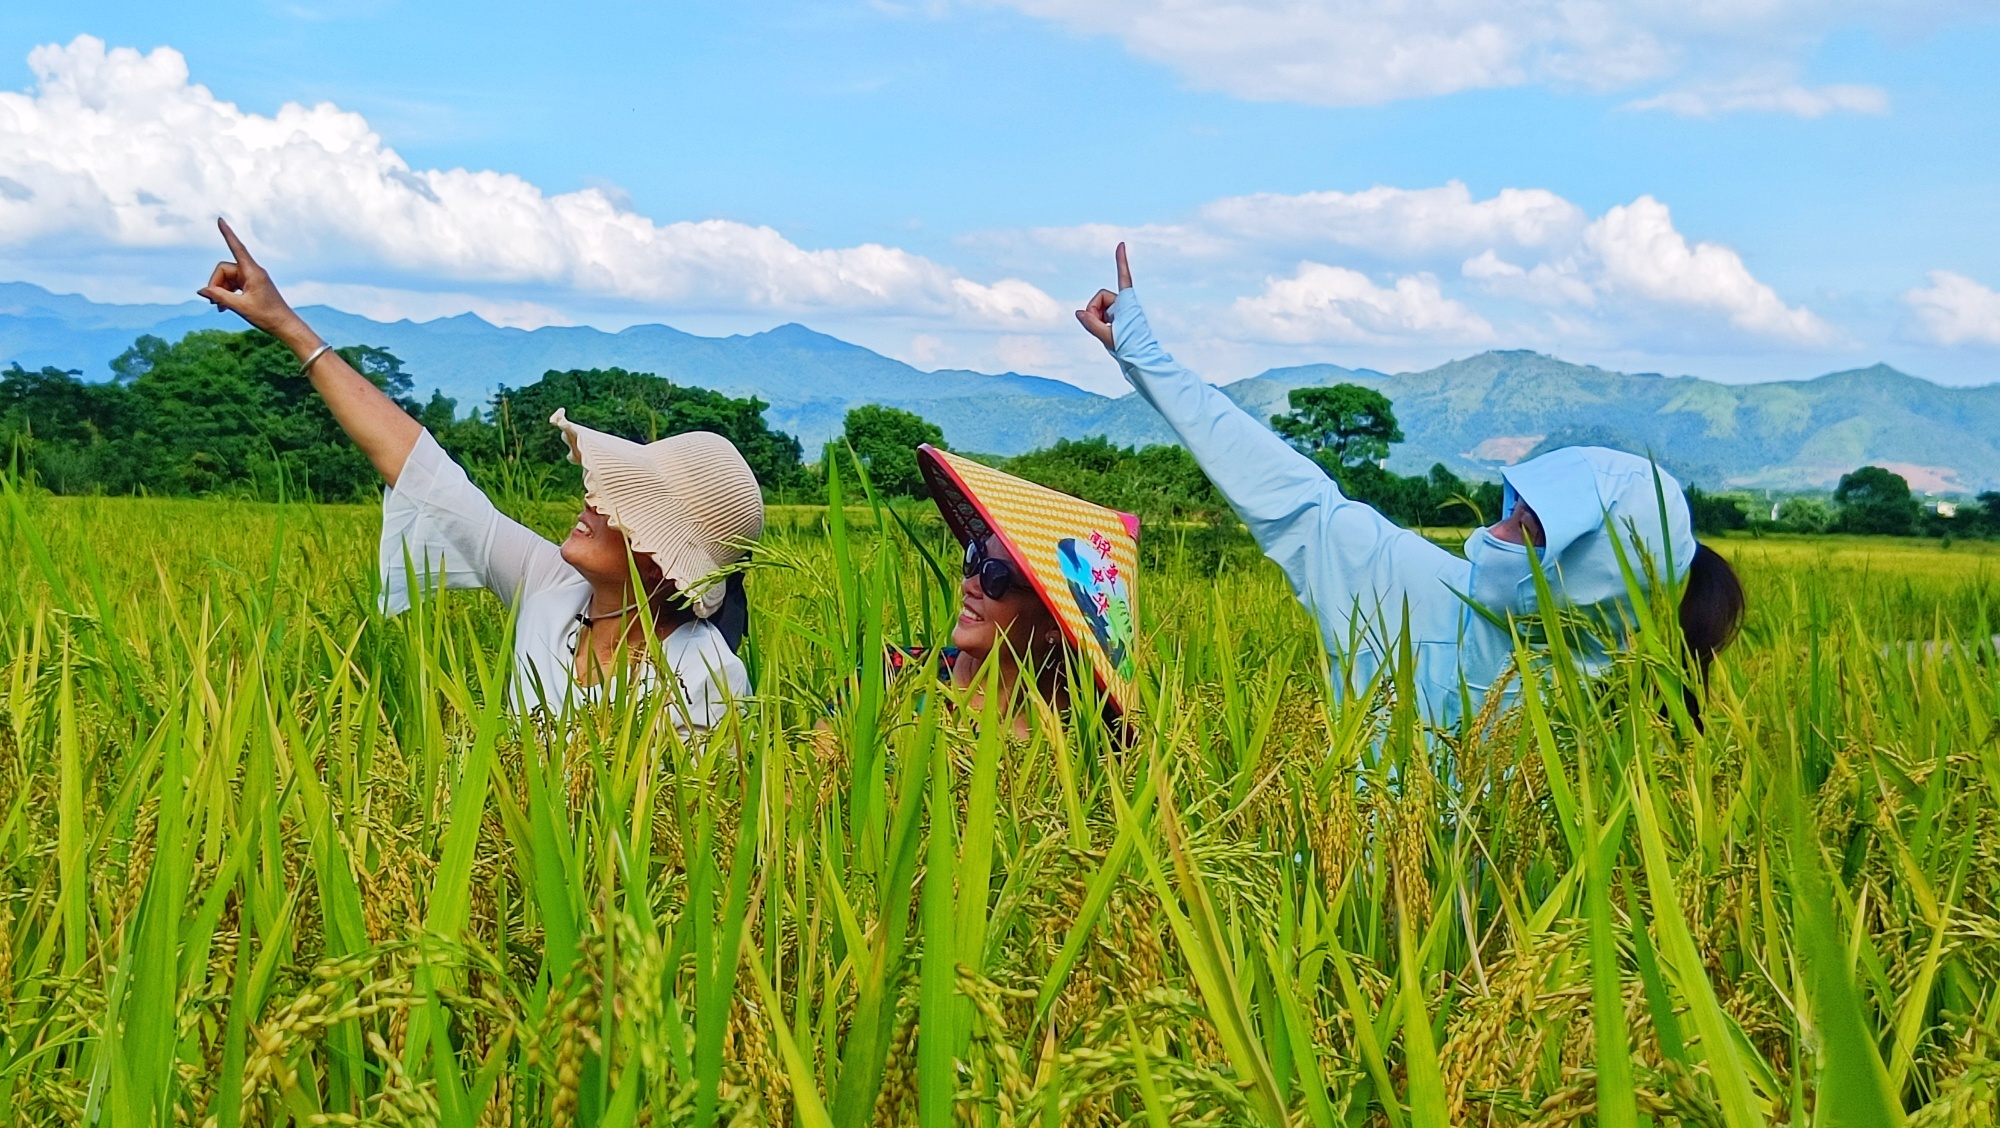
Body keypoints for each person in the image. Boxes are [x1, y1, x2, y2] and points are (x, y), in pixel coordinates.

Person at [1076, 244, 1744, 729]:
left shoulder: (1619, 723)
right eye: (1511, 511)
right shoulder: (1420, 590)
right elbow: (1293, 495)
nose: (1492, 533)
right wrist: (1146, 359)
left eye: (1528, 531)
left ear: (1596, 576)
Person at [197, 219, 763, 729]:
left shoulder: (706, 679)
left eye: (621, 502)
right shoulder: (554, 591)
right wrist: (290, 328)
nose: (590, 500)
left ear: (661, 558)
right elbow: (425, 473)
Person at [912, 443, 1141, 730]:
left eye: (996, 577)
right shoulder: (892, 677)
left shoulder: (1087, 740)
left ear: (1057, 622)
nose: (969, 585)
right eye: (974, 558)